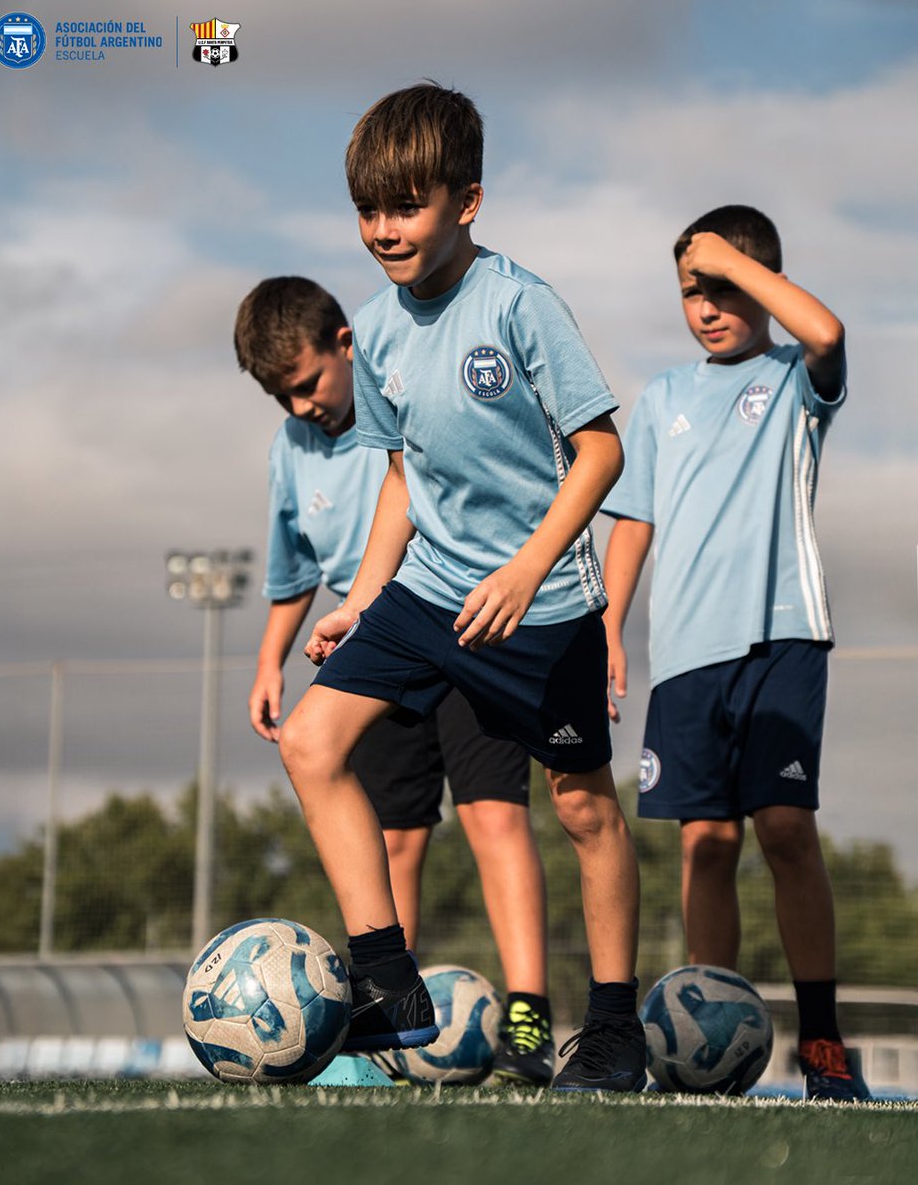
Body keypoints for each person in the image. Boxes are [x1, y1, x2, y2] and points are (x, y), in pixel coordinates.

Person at [277, 82, 645, 1093]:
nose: (384, 231)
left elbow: (602, 452)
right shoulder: (373, 328)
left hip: (543, 610)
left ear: (466, 201)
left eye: (407, 206)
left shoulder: (521, 304)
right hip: (425, 594)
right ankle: (388, 979)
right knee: (310, 743)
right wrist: (360, 595)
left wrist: (530, 568)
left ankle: (613, 1030)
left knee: (582, 809)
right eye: (369, 211)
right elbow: (404, 475)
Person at [234, 275, 554, 1085]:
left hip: (463, 621)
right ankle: (389, 1020)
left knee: (493, 819)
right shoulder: (289, 451)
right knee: (395, 836)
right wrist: (270, 658)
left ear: (345, 344)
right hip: (375, 647)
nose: (301, 406)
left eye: (306, 383)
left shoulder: (401, 403)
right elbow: (294, 571)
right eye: (282, 396)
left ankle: (528, 1017)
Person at [601, 204, 870, 1101]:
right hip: (684, 654)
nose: (707, 306)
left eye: (723, 287)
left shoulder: (798, 376)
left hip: (782, 636)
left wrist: (734, 262)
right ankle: (705, 1037)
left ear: (759, 283)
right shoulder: (664, 398)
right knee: (705, 844)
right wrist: (609, 624)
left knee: (786, 831)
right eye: (691, 291)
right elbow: (633, 522)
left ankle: (824, 1043)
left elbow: (824, 326)